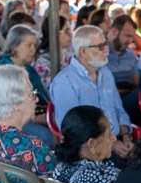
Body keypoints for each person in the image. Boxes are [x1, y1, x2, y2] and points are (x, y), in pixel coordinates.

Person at [50, 25, 133, 160]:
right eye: (100, 47)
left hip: (116, 142)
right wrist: (110, 144)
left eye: (105, 44)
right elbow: (74, 130)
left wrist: (126, 136)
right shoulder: (64, 82)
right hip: (89, 152)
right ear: (83, 52)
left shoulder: (105, 72)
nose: (106, 50)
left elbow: (119, 110)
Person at [0, 25, 52, 144]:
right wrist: (35, 119)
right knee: (47, 136)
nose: (33, 50)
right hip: (10, 120)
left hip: (32, 114)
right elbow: (4, 109)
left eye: (34, 45)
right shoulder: (2, 70)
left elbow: (42, 96)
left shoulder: (30, 70)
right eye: (28, 45)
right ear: (14, 46)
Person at [106, 14, 140, 90]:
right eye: (127, 36)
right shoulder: (100, 52)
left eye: (132, 37)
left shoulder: (130, 54)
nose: (130, 41)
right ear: (114, 32)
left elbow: (136, 82)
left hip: (129, 93)